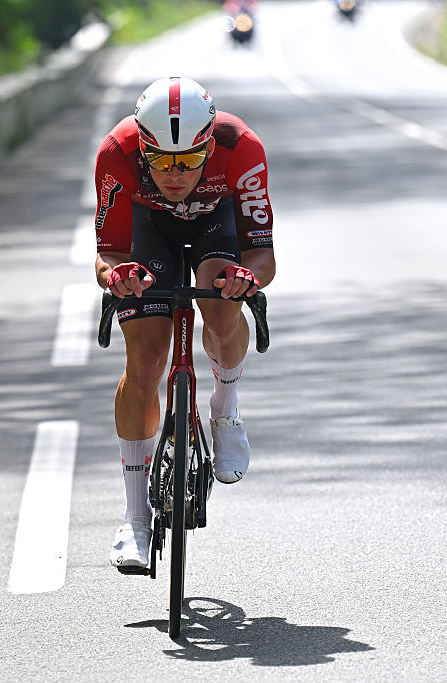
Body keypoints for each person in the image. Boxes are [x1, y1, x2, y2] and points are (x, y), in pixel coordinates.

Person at [93, 76, 276, 572]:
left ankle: (225, 405)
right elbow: (108, 252)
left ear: (209, 144)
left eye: (190, 161)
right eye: (162, 160)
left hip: (217, 224)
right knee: (147, 362)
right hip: (147, 230)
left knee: (220, 307)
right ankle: (134, 519)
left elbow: (262, 254)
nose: (175, 175)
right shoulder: (116, 152)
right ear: (143, 148)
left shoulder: (241, 148)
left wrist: (246, 278)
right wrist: (118, 275)